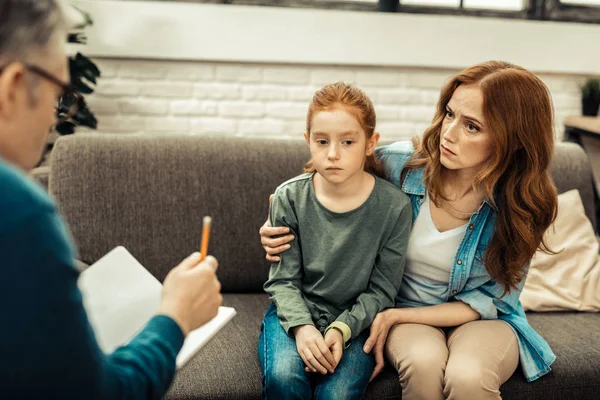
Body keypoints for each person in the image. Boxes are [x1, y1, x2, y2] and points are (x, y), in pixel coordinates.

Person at [260, 61, 558, 399]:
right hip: (406, 319)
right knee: (424, 365)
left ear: (513, 141)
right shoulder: (400, 165)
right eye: (450, 114)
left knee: (468, 377)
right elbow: (326, 176)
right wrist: (276, 223)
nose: (449, 133)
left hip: (480, 321)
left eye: (472, 127)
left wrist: (393, 315)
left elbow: (495, 299)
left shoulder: (524, 205)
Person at [0, 1, 222, 398]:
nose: (56, 117)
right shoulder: (19, 209)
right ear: (13, 86)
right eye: (57, 92)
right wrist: (175, 316)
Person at [259, 82, 412, 400]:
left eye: (347, 142)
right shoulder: (289, 197)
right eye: (322, 141)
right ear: (308, 141)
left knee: (339, 394)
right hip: (295, 312)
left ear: (371, 144)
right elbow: (283, 281)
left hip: (357, 322)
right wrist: (302, 328)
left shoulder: (394, 206)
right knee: (283, 378)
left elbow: (383, 290)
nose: (332, 154)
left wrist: (342, 329)